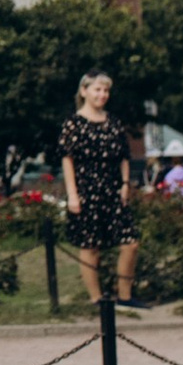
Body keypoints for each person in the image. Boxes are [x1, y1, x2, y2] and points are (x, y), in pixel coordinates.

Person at [59, 72, 140, 302]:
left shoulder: (113, 122)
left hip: (113, 189)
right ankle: (97, 299)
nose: (102, 95)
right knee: (90, 247)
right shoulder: (73, 124)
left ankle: (125, 296)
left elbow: (124, 156)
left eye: (105, 90)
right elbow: (67, 159)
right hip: (86, 190)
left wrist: (125, 184)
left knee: (131, 243)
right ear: (84, 91)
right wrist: (72, 194)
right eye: (97, 89)